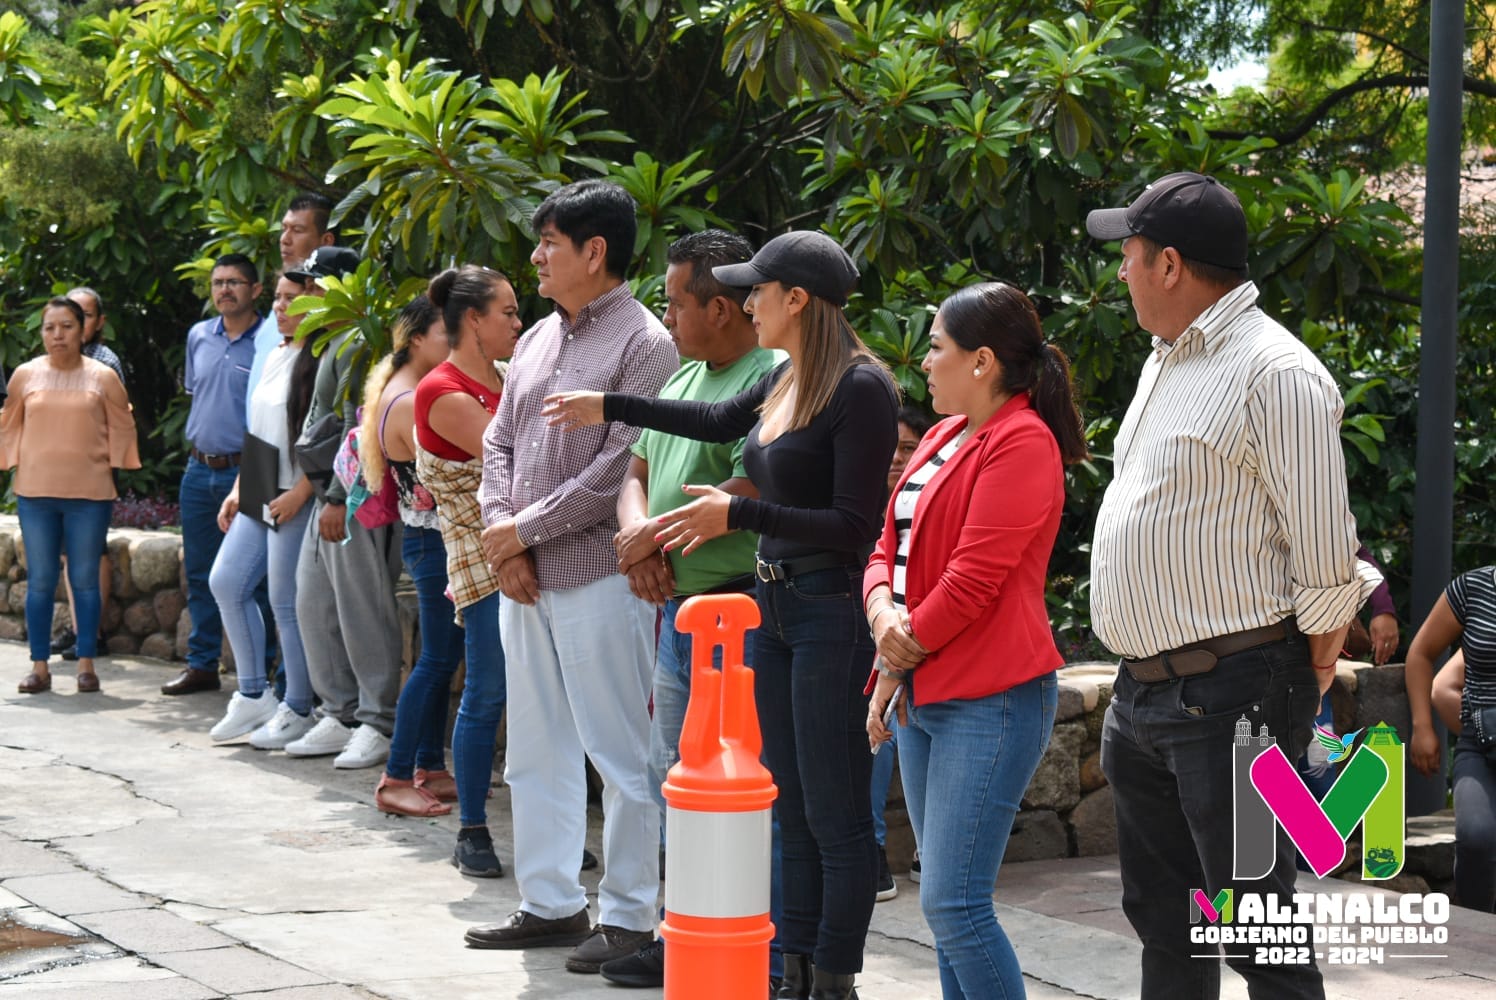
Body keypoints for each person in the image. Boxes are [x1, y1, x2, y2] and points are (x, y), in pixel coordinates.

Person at [543, 229, 899, 1000]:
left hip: (827, 613)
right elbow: (707, 422)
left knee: (835, 817)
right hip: (773, 607)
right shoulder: (785, 379)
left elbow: (853, 525)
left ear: (796, 301)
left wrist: (738, 521)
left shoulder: (860, 387)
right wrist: (604, 405)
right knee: (793, 806)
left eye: (758, 291)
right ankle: (791, 975)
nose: (748, 303)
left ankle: (835, 982)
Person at [1085, 172, 1380, 998]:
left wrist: (1312, 669)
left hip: (1236, 695)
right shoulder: (1165, 362)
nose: (1122, 272)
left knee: (1259, 935)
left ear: (1170, 264)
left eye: (1130, 255)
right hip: (1143, 696)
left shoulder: (1276, 371)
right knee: (1165, 928)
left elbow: (1326, 552)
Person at [463, 180, 677, 975]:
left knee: (621, 753)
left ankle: (628, 919)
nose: (536, 258)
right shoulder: (538, 340)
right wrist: (505, 536)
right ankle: (551, 903)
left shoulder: (647, 344)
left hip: (597, 577)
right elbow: (498, 445)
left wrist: (522, 530)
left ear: (596, 251)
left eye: (550, 243)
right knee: (536, 747)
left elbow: (620, 465)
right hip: (525, 578)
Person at [863, 283, 1086, 998]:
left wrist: (897, 652)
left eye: (936, 348)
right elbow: (884, 548)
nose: (924, 363)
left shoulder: (1022, 441)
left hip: (990, 698)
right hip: (929, 689)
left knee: (953, 905)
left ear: (983, 360)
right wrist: (882, 622)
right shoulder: (941, 434)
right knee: (946, 906)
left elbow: (973, 581)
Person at [595, 229, 785, 990]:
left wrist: (652, 542)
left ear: (720, 306)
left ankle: (760, 950)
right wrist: (639, 539)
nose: (666, 317)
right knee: (672, 774)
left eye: (676, 303)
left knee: (740, 783)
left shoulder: (771, 374)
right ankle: (690, 931)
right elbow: (634, 472)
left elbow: (754, 490)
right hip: (679, 611)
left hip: (737, 614)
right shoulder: (680, 380)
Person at [405, 270, 521, 873]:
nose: (518, 323)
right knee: (488, 692)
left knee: (539, 701)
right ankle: (472, 829)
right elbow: (521, 466)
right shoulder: (442, 391)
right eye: (507, 312)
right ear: (473, 319)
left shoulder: (505, 377)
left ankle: (540, 825)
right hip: (483, 563)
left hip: (530, 550)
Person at [283, 246, 406, 770]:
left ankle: (377, 719)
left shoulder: (361, 338)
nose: (306, 295)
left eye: (314, 285)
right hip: (325, 492)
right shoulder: (328, 341)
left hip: (354, 495)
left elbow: (360, 430)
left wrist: (336, 496)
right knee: (313, 602)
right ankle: (338, 710)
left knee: (361, 605)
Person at [204, 272, 322, 747]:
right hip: (259, 484)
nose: (278, 307)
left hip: (294, 494)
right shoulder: (275, 353)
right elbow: (260, 430)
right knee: (226, 582)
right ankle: (255, 695)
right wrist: (238, 488)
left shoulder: (319, 361)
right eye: (276, 297)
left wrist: (301, 492)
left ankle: (300, 706)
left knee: (284, 603)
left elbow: (331, 437)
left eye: (290, 299)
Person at [2, 297, 140, 694]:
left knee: (83, 579)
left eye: (66, 326)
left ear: (84, 331)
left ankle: (85, 663)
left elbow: (122, 423)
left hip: (90, 494)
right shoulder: (25, 375)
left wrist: (113, 464)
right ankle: (39, 666)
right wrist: (14, 462)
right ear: (42, 333)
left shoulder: (102, 376)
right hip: (35, 493)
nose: (58, 335)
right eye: (50, 328)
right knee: (41, 580)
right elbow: (8, 424)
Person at [370, 295, 464, 817]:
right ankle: (397, 776)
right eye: (446, 334)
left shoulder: (397, 390)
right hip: (433, 541)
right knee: (434, 660)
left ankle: (429, 764)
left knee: (439, 654)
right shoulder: (409, 400)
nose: (454, 344)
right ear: (416, 340)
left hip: (426, 540)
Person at [163, 253, 268, 697]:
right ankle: (203, 664)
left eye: (235, 282)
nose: (225, 290)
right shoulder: (198, 337)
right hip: (198, 468)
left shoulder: (269, 340)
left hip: (256, 467)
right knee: (202, 572)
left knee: (257, 578)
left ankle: (265, 677)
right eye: (218, 282)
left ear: (255, 290)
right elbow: (197, 394)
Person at [869, 403, 933, 902]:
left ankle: (883, 857)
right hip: (881, 647)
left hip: (916, 657)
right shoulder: (866, 503)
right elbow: (877, 570)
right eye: (887, 448)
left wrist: (889, 666)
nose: (895, 459)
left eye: (908, 448)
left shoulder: (938, 504)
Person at [1405, 571, 1496, 912]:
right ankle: (1476, 934)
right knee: (1476, 839)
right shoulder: (1473, 588)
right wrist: (1422, 726)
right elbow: (1420, 653)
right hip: (1481, 743)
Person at [48, 287, 125, 662]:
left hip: (93, 469)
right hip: (56, 471)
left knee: (92, 552)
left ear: (98, 323)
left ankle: (92, 634)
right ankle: (80, 630)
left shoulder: (103, 362)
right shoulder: (58, 359)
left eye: (85, 316)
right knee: (68, 553)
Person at [247, 193, 337, 408]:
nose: (284, 239)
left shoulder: (337, 314)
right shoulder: (278, 310)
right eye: (284, 228)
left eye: (297, 230)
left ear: (326, 241)